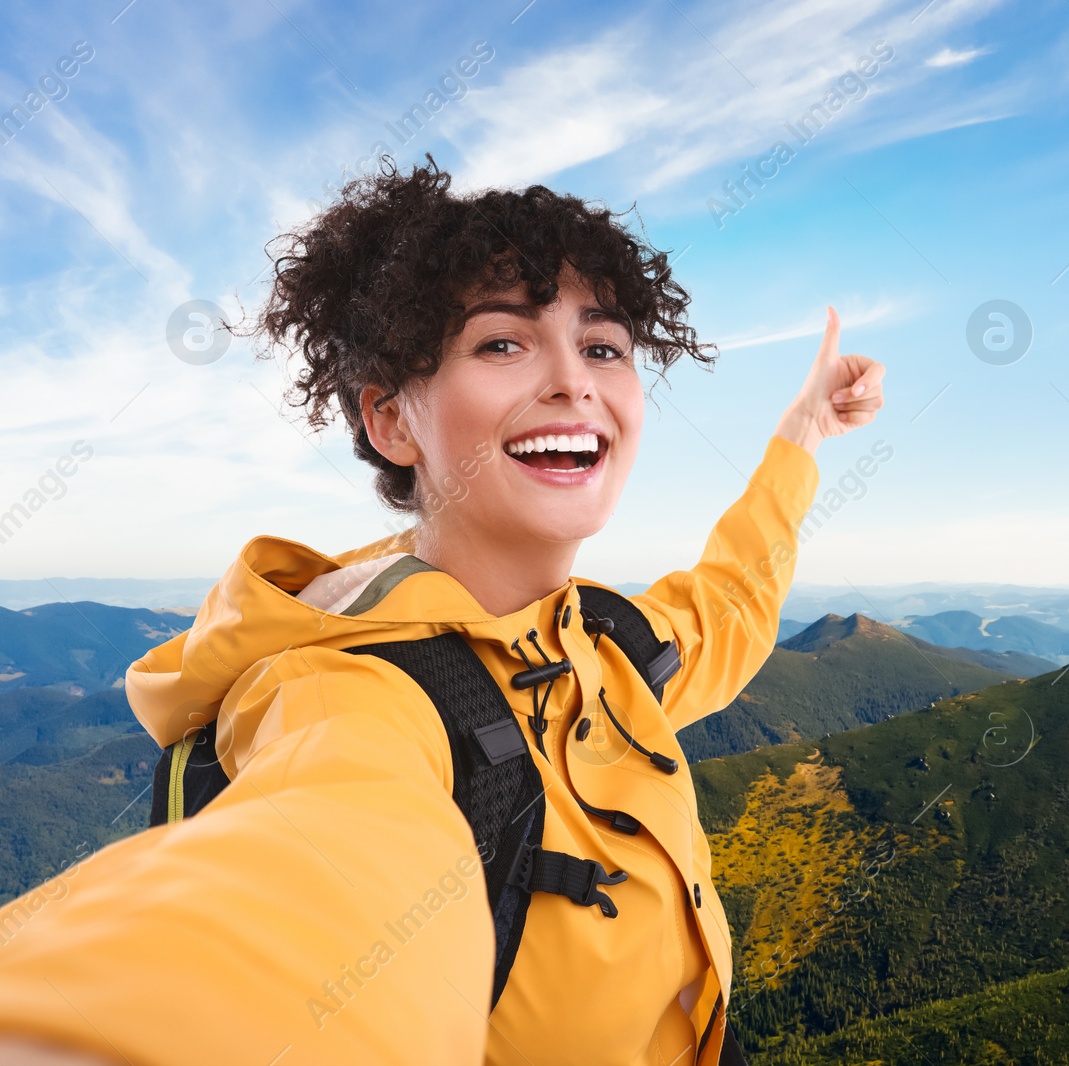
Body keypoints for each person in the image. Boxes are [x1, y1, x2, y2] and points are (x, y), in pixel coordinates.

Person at [0, 156, 885, 1065]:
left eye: (604, 346)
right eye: (502, 344)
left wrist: (803, 434)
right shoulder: (349, 695)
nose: (573, 382)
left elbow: (729, 601)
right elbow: (294, 900)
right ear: (391, 422)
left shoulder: (607, 642)